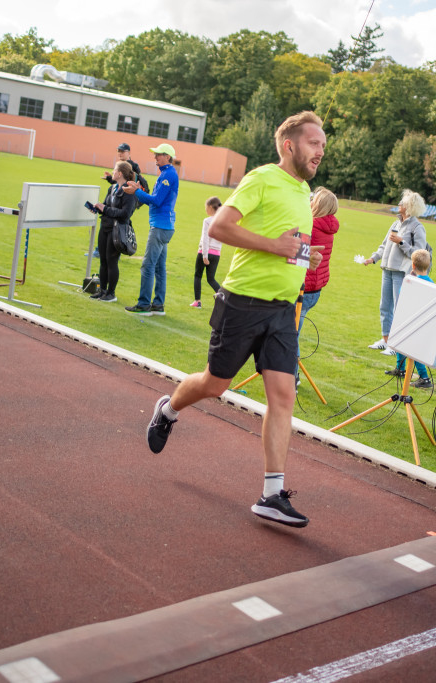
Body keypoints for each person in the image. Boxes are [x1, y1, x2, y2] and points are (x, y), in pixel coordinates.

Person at [144, 111, 326, 528]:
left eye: (322, 145)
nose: (320, 151)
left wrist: (302, 255)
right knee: (216, 384)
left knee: (283, 396)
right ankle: (168, 408)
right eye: (314, 143)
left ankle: (271, 495)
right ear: (289, 145)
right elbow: (222, 228)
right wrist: (279, 247)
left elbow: (283, 245)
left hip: (282, 308)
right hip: (242, 303)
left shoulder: (304, 191)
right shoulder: (262, 178)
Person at [362, 189, 429, 356]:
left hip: (402, 273)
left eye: (403, 203)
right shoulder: (395, 224)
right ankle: (386, 340)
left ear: (409, 207)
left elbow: (419, 254)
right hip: (387, 270)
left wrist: (402, 242)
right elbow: (384, 245)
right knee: (384, 306)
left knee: (399, 309)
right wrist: (373, 258)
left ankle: (396, 345)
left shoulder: (417, 228)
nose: (399, 204)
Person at [122, 143, 180, 316]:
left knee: (148, 266)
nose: (155, 157)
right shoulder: (167, 173)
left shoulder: (167, 175)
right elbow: (156, 199)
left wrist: (136, 192)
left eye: (159, 155)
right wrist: (139, 190)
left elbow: (156, 201)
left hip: (160, 227)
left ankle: (144, 304)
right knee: (159, 267)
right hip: (165, 227)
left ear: (167, 157)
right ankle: (158, 305)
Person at [295, 187, 340, 381]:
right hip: (316, 288)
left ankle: (291, 376)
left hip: (303, 287)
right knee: (292, 331)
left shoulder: (311, 225)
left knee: (290, 334)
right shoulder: (328, 227)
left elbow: (297, 255)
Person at [88, 160, 137, 303]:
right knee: (103, 260)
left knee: (111, 261)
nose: (112, 172)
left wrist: (106, 209)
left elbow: (125, 214)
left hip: (117, 230)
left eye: (114, 170)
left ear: (120, 173)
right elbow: (106, 205)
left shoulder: (128, 190)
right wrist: (97, 208)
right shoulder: (113, 188)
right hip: (105, 227)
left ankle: (111, 293)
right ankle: (102, 291)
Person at [387, 249, 434, 389]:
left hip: (410, 319)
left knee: (411, 350)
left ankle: (424, 377)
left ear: (413, 265)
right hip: (420, 321)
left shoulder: (411, 281)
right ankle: (400, 369)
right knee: (401, 344)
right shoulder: (430, 282)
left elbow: (403, 294)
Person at [191, 196, 223, 308]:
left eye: (206, 207)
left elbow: (205, 238)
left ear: (210, 207)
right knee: (211, 279)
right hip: (216, 254)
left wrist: (205, 255)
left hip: (205, 252)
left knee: (198, 276)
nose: (205, 209)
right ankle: (223, 297)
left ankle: (197, 302)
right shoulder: (222, 221)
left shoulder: (207, 221)